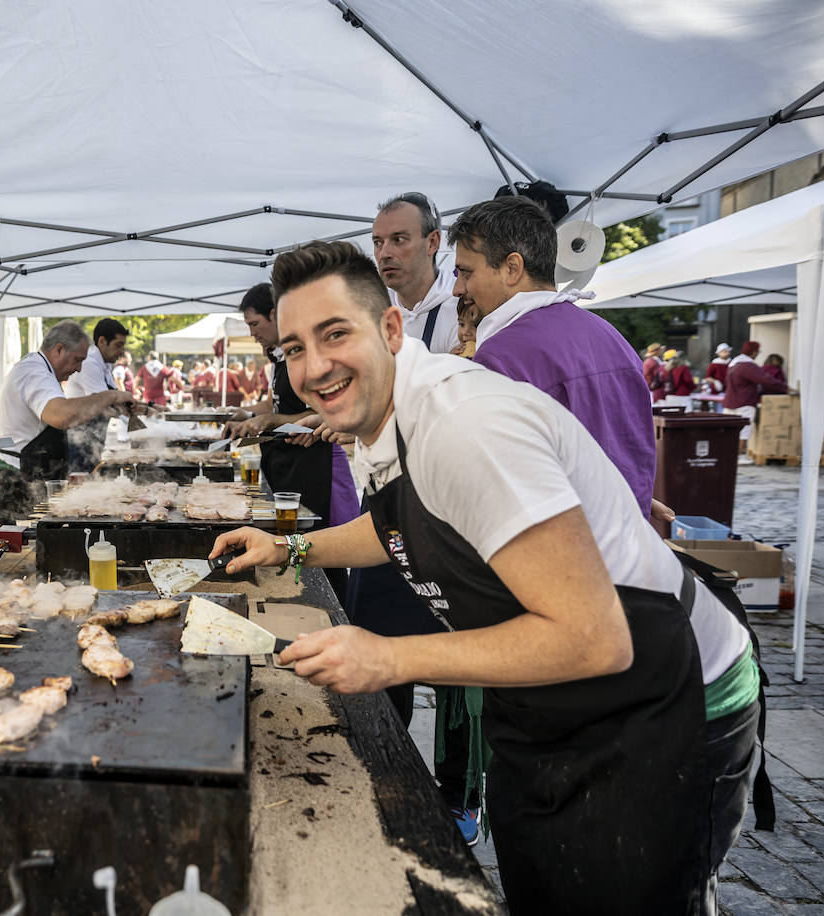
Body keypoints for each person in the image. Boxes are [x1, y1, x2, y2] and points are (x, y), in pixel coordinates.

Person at [211, 240, 761, 916]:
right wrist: (288, 550)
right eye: (294, 348)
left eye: (334, 334)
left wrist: (388, 657)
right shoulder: (377, 417)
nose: (315, 367)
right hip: (553, 705)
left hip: (669, 699)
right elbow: (398, 526)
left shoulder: (463, 424)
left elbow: (595, 639)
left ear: (390, 329)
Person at [448, 196, 658, 518]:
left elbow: (483, 485)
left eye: (465, 272)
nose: (457, 289)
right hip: (627, 545)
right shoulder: (612, 337)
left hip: (556, 552)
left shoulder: (503, 355)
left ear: (512, 268)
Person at [227, 283, 358, 600]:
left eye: (254, 324)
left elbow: (322, 411)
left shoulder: (310, 353)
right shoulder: (278, 357)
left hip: (319, 465)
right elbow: (280, 405)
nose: (253, 333)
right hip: (288, 462)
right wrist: (248, 414)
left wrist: (270, 420)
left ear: (275, 315)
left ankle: (330, 607)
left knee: (324, 543)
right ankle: (293, 599)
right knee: (292, 539)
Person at [0, 321, 135, 525]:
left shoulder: (41, 370)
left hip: (29, 475)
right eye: (77, 360)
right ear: (59, 349)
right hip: (13, 480)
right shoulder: (34, 372)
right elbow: (61, 415)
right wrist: (110, 396)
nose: (80, 369)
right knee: (24, 552)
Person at [372, 191, 460, 353]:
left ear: (432, 242)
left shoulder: (460, 311)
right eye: (378, 243)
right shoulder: (371, 310)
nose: (384, 253)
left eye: (398, 240)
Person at [66, 318, 131, 471]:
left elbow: (115, 395)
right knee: (81, 482)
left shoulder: (105, 362)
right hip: (80, 436)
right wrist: (133, 422)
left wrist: (149, 407)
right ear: (102, 341)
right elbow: (105, 404)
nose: (122, 351)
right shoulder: (89, 363)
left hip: (94, 434)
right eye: (118, 345)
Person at [724, 340, 788, 457]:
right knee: (744, 431)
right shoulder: (748, 366)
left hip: (730, 401)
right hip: (744, 401)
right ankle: (736, 457)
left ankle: (729, 455)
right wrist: (787, 388)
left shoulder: (733, 364)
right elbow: (767, 380)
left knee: (730, 431)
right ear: (753, 353)